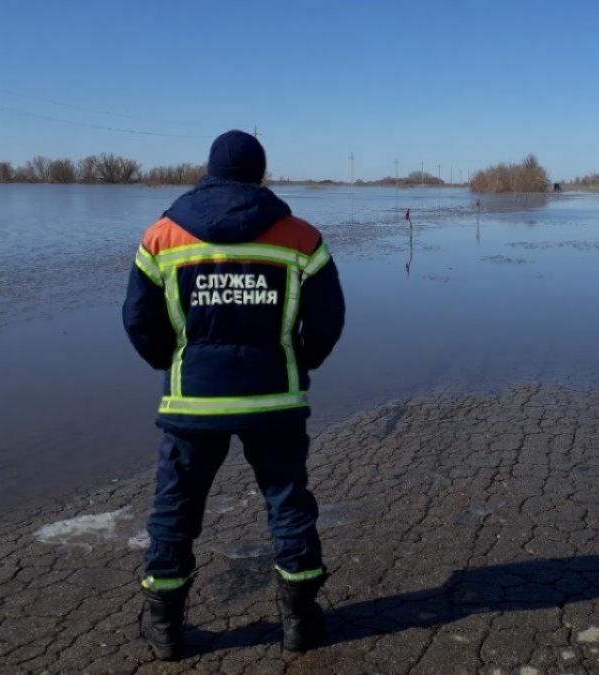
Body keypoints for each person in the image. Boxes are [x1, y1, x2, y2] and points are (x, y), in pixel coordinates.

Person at [122, 130, 345, 659]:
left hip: (192, 402)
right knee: (288, 507)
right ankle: (299, 624)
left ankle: (166, 630)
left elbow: (138, 320)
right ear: (260, 174)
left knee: (175, 512)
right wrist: (301, 359)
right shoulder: (301, 236)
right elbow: (329, 318)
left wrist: (173, 362)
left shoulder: (162, 236)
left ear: (209, 170)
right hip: (276, 400)